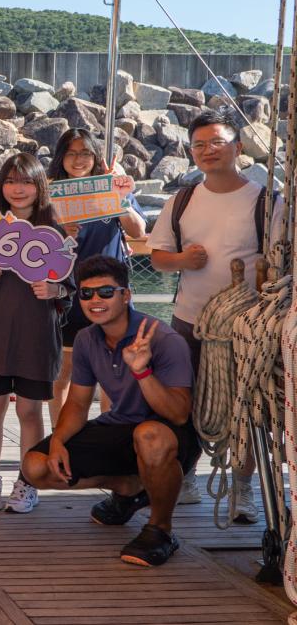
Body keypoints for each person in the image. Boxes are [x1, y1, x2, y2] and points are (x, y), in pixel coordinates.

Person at [22, 256, 197, 567]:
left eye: (105, 292)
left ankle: (161, 530)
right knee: (35, 467)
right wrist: (58, 440)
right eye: (86, 294)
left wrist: (142, 372)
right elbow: (78, 402)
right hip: (120, 426)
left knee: (149, 435)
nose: (95, 300)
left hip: (168, 434)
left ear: (125, 295)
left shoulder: (164, 339)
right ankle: (129, 488)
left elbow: (179, 414)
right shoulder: (87, 338)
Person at [148, 111, 279, 519]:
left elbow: (279, 264)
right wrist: (182, 260)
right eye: (199, 145)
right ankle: (185, 476)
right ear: (191, 152)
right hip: (189, 321)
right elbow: (158, 257)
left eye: (217, 142)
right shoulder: (181, 200)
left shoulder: (266, 202)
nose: (208, 151)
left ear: (238, 147)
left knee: (247, 404)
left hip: (247, 324)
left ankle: (242, 488)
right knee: (183, 402)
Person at [0, 152, 73, 514]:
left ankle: (28, 482)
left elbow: (72, 288)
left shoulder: (55, 232)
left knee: (29, 411)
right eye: (11, 181)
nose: (18, 189)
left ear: (39, 186)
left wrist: (56, 289)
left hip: (36, 335)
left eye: (26, 181)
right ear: (1, 186)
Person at [47, 129, 147, 422]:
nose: (78, 159)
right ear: (61, 157)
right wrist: (59, 229)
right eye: (71, 153)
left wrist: (117, 196)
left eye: (85, 153)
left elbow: (138, 230)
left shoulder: (110, 186)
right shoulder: (50, 193)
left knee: (113, 373)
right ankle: (61, 435)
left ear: (95, 157)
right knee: (62, 374)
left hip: (108, 292)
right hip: (66, 292)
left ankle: (109, 433)